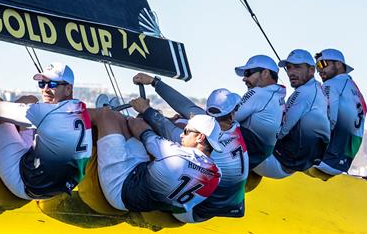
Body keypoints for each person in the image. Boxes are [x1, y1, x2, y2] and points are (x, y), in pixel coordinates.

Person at [132, 74, 249, 219]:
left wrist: (147, 111)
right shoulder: (233, 126)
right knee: (181, 121)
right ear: (232, 114)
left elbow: (166, 128)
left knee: (155, 142)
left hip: (197, 212)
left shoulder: (205, 138)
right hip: (234, 204)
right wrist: (155, 82)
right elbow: (187, 107)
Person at [92, 106, 222, 223]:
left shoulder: (173, 153)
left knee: (106, 115)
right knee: (120, 121)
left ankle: (71, 114)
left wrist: (139, 116)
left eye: (187, 131)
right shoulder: (217, 174)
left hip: (121, 189)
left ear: (200, 137)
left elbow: (137, 125)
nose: (182, 134)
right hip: (142, 182)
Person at [0, 62, 92, 200]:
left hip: (24, 183)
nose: (45, 89)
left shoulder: (43, 112)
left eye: (52, 84)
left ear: (68, 89)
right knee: (31, 99)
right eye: (42, 84)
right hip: (60, 186)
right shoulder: (81, 108)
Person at [253, 49, 330, 178]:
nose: (291, 72)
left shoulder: (304, 93)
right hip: (291, 163)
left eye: (297, 67)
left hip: (277, 163)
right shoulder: (317, 89)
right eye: (289, 67)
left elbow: (282, 131)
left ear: (311, 70)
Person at [314, 49, 367, 175]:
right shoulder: (355, 89)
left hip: (326, 159)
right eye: (317, 67)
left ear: (338, 64)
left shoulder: (331, 84)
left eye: (322, 64)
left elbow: (327, 120)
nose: (319, 70)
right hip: (344, 160)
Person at [232, 55, 286, 168]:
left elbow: (228, 118)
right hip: (262, 154)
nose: (244, 79)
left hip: (248, 153)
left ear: (265, 73)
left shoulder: (259, 93)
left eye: (248, 73)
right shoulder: (279, 95)